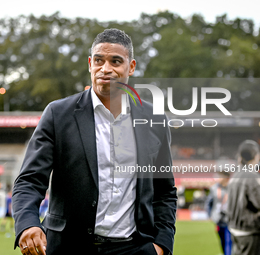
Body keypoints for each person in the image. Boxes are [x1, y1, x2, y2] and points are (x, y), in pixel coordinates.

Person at [12, 28, 177, 255]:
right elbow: (29, 181)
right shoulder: (58, 114)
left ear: (131, 67)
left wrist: (161, 245)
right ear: (90, 64)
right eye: (99, 60)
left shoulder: (154, 119)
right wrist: (28, 224)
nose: (105, 69)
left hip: (134, 249)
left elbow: (164, 191)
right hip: (68, 248)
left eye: (116, 61)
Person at [227, 140, 260, 255]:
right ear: (256, 156)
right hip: (249, 231)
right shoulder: (252, 176)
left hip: (235, 229)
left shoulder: (235, 175)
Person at [206, 171, 232, 255]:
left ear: (226, 178)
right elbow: (209, 203)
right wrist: (210, 215)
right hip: (218, 220)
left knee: (229, 241)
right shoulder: (214, 188)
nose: (218, 178)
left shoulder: (232, 188)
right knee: (222, 241)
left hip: (229, 219)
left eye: (220, 176)